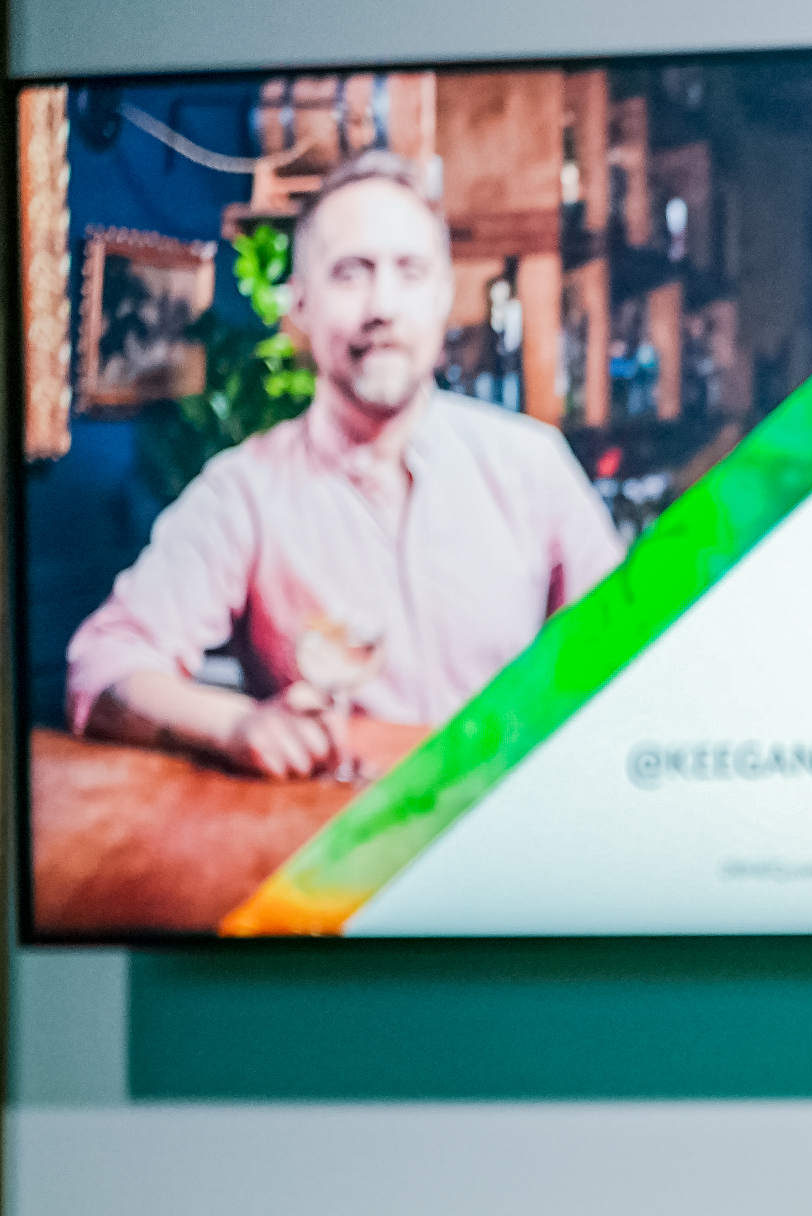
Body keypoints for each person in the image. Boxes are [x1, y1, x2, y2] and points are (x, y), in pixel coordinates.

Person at [65, 151, 622, 778]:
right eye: (350, 273)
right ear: (300, 303)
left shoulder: (533, 467)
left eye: (409, 271)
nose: (381, 305)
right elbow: (103, 664)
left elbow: (628, 656)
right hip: (333, 854)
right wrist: (237, 724)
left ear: (443, 296)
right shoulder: (244, 493)